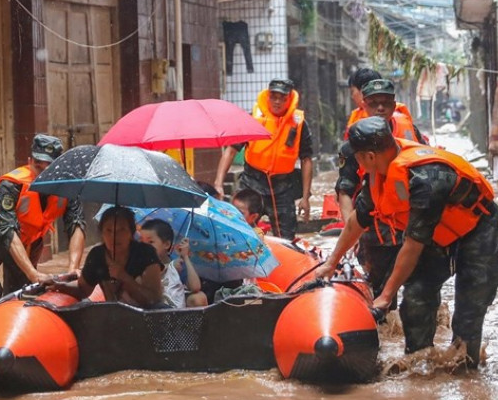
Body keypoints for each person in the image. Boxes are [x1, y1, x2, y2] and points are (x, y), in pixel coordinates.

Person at [317, 117, 498, 368]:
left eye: (357, 157)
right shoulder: (379, 176)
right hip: (439, 235)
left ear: (370, 156)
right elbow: (356, 222)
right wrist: (330, 262)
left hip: (479, 230)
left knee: (469, 310)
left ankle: (465, 371)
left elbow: (412, 246)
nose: (356, 163)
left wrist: (385, 297)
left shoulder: (425, 179)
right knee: (415, 297)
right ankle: (419, 366)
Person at [0, 134, 85, 316]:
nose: (43, 172)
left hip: (29, 241)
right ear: (30, 160)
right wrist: (34, 274)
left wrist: (73, 269)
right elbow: (7, 231)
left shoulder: (69, 187)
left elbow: (76, 224)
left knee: (20, 294)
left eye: (50, 167)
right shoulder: (11, 185)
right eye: (38, 165)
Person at [335, 79, 428, 301]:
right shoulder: (353, 146)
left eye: (385, 103)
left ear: (394, 105)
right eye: (374, 103)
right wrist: (351, 232)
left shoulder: (410, 133)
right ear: (364, 105)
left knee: (420, 294)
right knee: (380, 297)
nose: (380, 108)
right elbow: (345, 190)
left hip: (410, 229)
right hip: (375, 233)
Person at [214, 78, 313, 240]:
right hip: (252, 183)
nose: (277, 102)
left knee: (286, 238)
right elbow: (231, 150)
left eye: (282, 98)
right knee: (237, 230)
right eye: (273, 96)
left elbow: (307, 160)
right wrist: (218, 182)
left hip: (283, 187)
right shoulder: (252, 118)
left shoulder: (299, 124)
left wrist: (305, 197)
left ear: (290, 99)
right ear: (267, 96)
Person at [49, 206, 165, 309]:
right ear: (102, 233)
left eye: (121, 230)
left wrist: (124, 277)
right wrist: (59, 285)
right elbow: (83, 289)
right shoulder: (97, 256)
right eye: (108, 230)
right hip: (115, 319)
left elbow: (153, 300)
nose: (114, 236)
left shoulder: (145, 253)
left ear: (131, 233)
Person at [139, 219, 208, 308]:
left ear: (167, 244)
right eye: (142, 242)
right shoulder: (140, 263)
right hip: (151, 309)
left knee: (199, 297)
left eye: (151, 242)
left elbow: (195, 287)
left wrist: (186, 257)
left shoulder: (177, 263)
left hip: (174, 309)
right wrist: (168, 268)